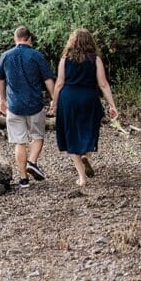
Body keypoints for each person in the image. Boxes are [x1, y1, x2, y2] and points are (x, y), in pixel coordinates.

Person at [49, 28, 119, 187]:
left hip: (69, 99)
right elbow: (103, 84)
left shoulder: (65, 59)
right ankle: (86, 154)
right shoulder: (95, 59)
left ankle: (82, 178)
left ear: (72, 42)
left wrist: (54, 102)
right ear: (90, 42)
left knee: (71, 134)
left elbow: (59, 83)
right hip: (89, 98)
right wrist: (112, 105)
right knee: (89, 129)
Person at [0, 26, 55, 188]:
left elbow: (0, 79)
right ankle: (32, 162)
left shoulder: (5, 56)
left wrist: (2, 100)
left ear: (15, 39)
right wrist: (54, 98)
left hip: (14, 106)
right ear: (29, 39)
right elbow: (48, 79)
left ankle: (23, 179)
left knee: (19, 142)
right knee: (37, 136)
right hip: (35, 103)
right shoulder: (36, 55)